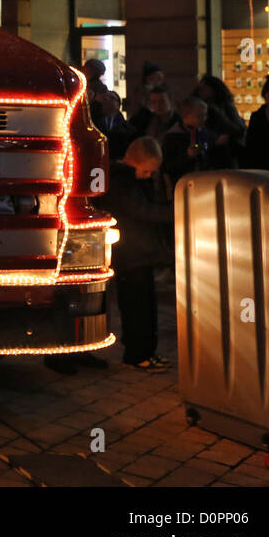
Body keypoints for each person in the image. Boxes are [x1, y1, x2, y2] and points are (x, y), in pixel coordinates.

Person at [102, 137, 174, 372]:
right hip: (130, 255)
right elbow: (141, 210)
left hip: (138, 253)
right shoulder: (121, 181)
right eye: (146, 171)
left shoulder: (129, 179)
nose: (148, 175)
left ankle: (145, 352)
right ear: (135, 161)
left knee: (145, 306)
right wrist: (174, 213)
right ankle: (137, 354)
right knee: (136, 308)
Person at [161, 96, 217, 184]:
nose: (204, 119)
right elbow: (167, 166)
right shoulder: (172, 136)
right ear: (186, 116)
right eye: (199, 116)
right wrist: (187, 155)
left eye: (205, 115)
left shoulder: (207, 133)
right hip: (183, 183)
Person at [194, 74, 246, 167]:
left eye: (205, 88)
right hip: (209, 153)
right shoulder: (198, 106)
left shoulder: (225, 106)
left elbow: (238, 129)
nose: (201, 91)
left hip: (226, 153)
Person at [94, 89, 134, 160]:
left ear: (118, 105)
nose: (108, 100)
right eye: (105, 99)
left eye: (112, 98)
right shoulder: (93, 122)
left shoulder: (127, 128)